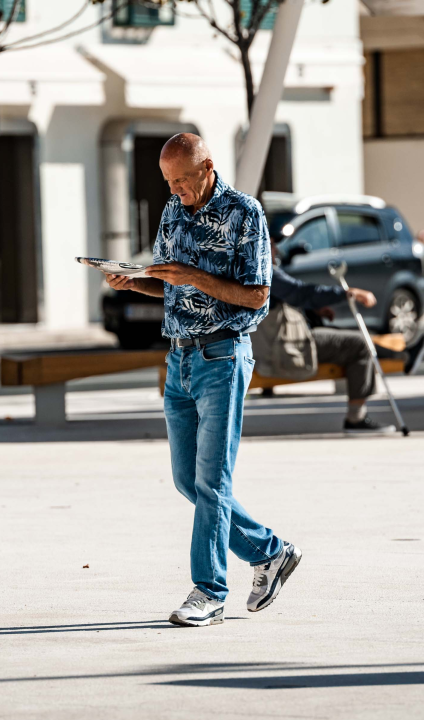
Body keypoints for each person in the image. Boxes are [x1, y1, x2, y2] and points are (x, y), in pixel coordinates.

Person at [105, 133, 300, 628]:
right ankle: (270, 552)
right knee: (187, 481)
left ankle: (209, 591)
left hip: (223, 357)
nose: (175, 191)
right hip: (179, 362)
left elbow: (257, 296)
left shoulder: (245, 213)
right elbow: (167, 281)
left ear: (207, 167)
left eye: (182, 180)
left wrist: (193, 277)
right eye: (168, 182)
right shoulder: (173, 210)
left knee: (212, 483)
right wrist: (134, 281)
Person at [266, 253, 424, 433]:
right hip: (287, 346)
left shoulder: (248, 265)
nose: (278, 251)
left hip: (282, 342)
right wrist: (348, 293)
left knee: (348, 338)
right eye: (274, 243)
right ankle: (356, 418)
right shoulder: (264, 268)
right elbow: (300, 292)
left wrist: (314, 311)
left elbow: (286, 298)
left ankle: (403, 355)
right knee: (358, 345)